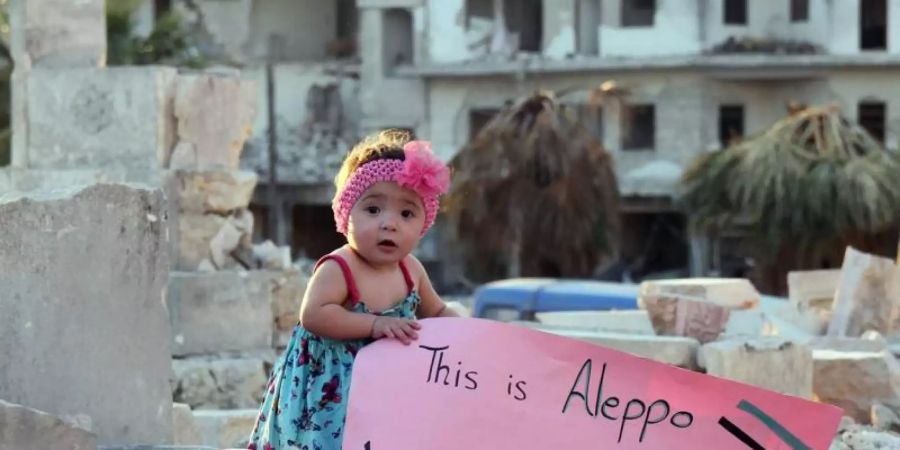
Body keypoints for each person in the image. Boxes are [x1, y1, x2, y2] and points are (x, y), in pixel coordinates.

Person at [247, 130, 459, 450]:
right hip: (327, 393)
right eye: (373, 210)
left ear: (422, 227)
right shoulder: (339, 267)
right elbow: (315, 315)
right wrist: (375, 324)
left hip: (385, 385)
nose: (389, 223)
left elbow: (438, 311)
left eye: (406, 213)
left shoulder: (411, 270)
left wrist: (465, 329)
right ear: (346, 215)